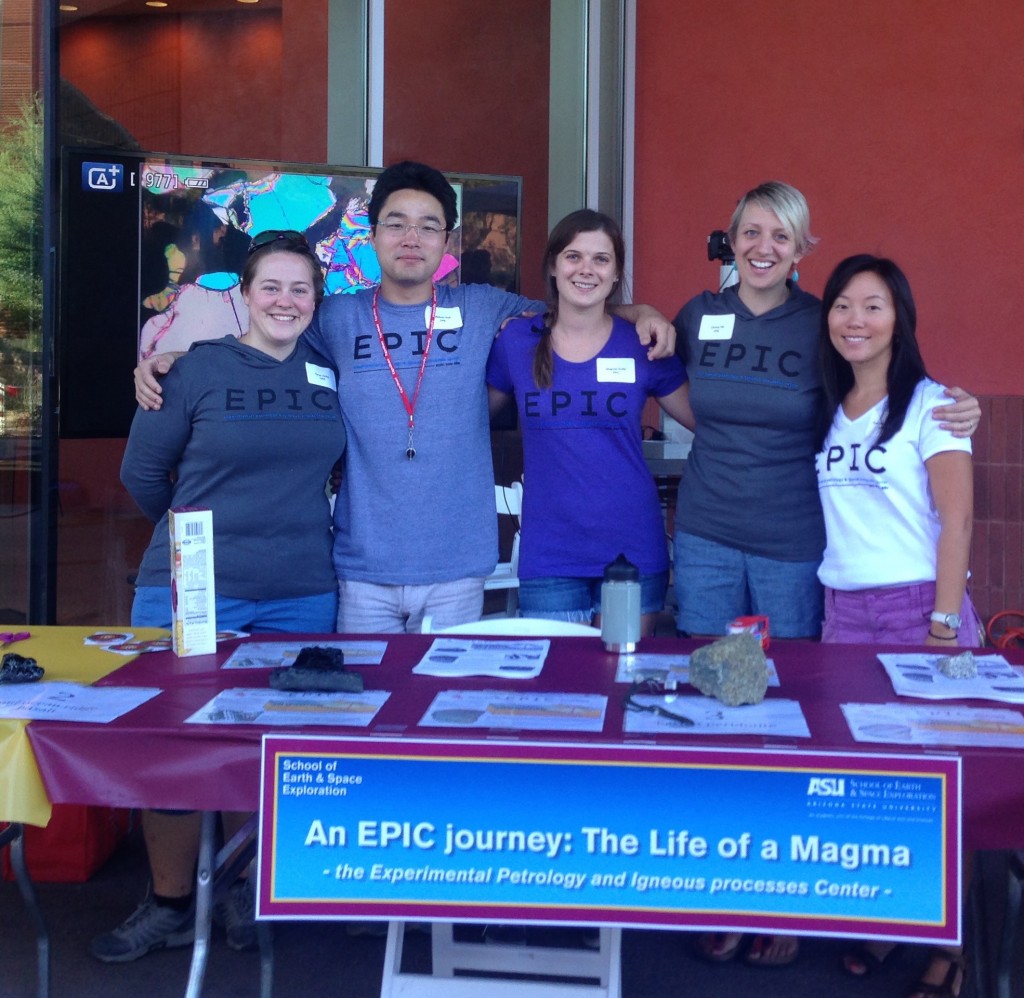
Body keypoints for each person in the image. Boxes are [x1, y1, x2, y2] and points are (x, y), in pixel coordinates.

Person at [136, 160, 677, 635]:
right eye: (396, 224)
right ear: (372, 235)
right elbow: (270, 334)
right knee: (364, 711)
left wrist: (640, 312)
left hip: (458, 566)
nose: (411, 238)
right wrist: (179, 360)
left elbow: (574, 305)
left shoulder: (485, 306)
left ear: (448, 239)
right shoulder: (335, 316)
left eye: (428, 226)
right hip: (361, 567)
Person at [674, 183, 980, 969]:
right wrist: (641, 314)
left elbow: (915, 429)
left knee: (794, 727)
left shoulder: (828, 330)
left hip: (800, 556)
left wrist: (962, 409)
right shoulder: (696, 316)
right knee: (716, 720)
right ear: (729, 239)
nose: (764, 245)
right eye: (750, 231)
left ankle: (817, 905)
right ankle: (730, 890)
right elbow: (659, 371)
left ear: (803, 249)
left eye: (782, 234)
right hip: (716, 541)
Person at [92, 231, 345, 963]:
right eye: (272, 286)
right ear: (244, 292)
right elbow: (144, 476)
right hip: (194, 593)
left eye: (301, 289)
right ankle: (170, 902)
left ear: (315, 301)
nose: (286, 301)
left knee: (264, 751)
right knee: (173, 749)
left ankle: (241, 892)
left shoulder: (327, 372)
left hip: (300, 593)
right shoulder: (193, 371)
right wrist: (193, 539)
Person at [818, 255, 974, 998]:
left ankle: (956, 944)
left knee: (948, 780)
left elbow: (959, 518)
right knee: (868, 777)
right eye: (843, 306)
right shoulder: (833, 403)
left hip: (918, 608)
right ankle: (888, 925)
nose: (855, 320)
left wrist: (944, 622)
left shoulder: (933, 405)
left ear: (899, 318)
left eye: (872, 307)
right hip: (844, 611)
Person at [486, 209, 692, 633]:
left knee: (621, 678)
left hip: (632, 548)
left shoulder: (641, 342)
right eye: (573, 256)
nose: (586, 269)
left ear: (616, 274)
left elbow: (709, 423)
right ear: (553, 265)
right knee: (556, 694)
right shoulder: (516, 340)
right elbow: (467, 419)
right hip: (551, 555)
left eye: (601, 259)